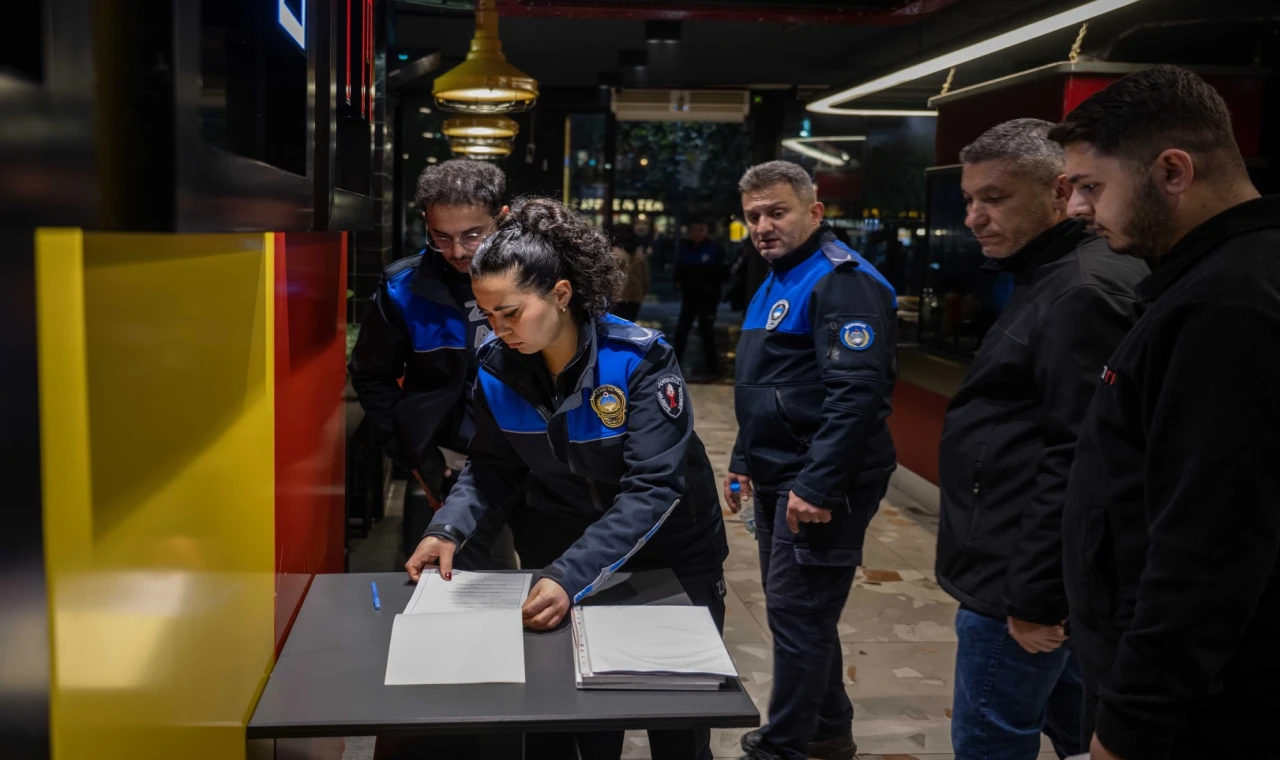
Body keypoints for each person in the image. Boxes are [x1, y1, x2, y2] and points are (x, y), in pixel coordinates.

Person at [405, 197, 730, 760]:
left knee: (677, 726)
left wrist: (568, 574)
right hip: (564, 549)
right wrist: (448, 527)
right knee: (581, 728)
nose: (499, 329)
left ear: (560, 293)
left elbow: (653, 488)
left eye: (511, 312)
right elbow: (495, 463)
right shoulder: (498, 366)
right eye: (488, 314)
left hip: (670, 556)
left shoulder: (638, 360)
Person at [1052, 65, 1280, 760]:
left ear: (1173, 171)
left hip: (1195, 719)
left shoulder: (1226, 308)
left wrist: (1131, 723)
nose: (1076, 208)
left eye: (1092, 186)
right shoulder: (1220, 278)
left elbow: (1208, 545)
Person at [935, 119, 1147, 760]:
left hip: (1019, 579)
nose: (974, 217)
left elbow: (1079, 458)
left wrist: (1033, 597)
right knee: (1076, 732)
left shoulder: (1081, 289)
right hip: (1028, 567)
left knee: (991, 740)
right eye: (969, 199)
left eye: (994, 198)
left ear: (1059, 192)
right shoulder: (1050, 274)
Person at [725, 161, 898, 760]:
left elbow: (857, 395)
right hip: (780, 470)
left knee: (797, 613)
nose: (763, 226)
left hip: (820, 479)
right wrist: (744, 457)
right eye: (753, 216)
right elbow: (765, 383)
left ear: (814, 211)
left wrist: (819, 485)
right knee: (800, 610)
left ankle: (785, 746)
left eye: (777, 212)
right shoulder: (779, 277)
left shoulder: (841, 281)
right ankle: (826, 729)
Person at [348, 159, 515, 568]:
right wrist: (412, 450)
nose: (457, 251)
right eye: (441, 236)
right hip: (451, 461)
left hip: (534, 454)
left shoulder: (536, 277)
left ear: (502, 218)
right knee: (457, 579)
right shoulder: (403, 288)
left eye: (472, 235)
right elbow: (371, 375)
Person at [673, 219, 728, 376]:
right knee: (682, 330)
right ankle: (674, 363)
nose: (697, 233)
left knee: (706, 331)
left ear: (706, 232)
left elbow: (723, 273)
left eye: (700, 230)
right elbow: (679, 269)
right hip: (689, 296)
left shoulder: (715, 249)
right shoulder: (685, 247)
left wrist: (711, 289)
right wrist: (678, 284)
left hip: (707, 297)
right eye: (694, 230)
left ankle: (712, 368)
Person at [610, 222, 649, 322]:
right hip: (636, 296)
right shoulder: (639, 254)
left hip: (617, 297)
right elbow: (645, 277)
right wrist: (643, 293)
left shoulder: (615, 253)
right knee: (630, 324)